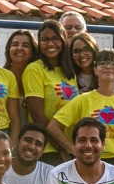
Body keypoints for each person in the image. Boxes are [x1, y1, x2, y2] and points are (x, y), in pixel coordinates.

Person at [47, 49, 114, 184]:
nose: (108, 66)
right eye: (103, 63)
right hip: (88, 163)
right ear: (95, 70)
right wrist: (73, 150)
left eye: (113, 63)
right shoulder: (82, 99)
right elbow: (53, 127)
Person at [22, 20, 78, 163]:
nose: (50, 44)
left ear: (63, 40)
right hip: (48, 149)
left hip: (71, 147)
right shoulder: (34, 69)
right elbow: (37, 115)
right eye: (45, 40)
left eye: (55, 39)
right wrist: (62, 148)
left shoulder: (69, 72)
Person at [2, 28, 37, 103]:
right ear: (9, 50)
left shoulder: (38, 77)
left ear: (32, 52)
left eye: (25, 45)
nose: (19, 48)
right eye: (15, 44)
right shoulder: (0, 77)